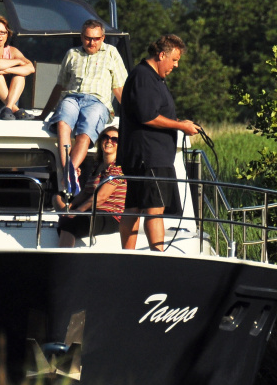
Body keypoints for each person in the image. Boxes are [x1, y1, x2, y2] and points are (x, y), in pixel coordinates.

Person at [117, 34, 199, 252]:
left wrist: (179, 123)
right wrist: (181, 126)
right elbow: (148, 116)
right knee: (154, 209)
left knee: (133, 207)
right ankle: (157, 256)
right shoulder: (144, 76)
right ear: (161, 54)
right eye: (174, 60)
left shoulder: (152, 78)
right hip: (150, 156)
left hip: (146, 155)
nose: (176, 65)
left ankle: (129, 255)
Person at [39, 19, 127, 194]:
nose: (91, 42)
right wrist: (43, 114)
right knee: (63, 123)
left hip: (98, 100)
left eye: (95, 38)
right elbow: (60, 86)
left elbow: (118, 87)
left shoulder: (111, 53)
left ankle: (68, 172)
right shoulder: (72, 53)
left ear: (103, 38)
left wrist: (133, 115)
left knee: (85, 132)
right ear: (81, 37)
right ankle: (69, 171)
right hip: (72, 97)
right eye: (87, 38)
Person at [56, 126, 125, 248]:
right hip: (93, 210)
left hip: (111, 215)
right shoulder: (97, 166)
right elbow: (85, 193)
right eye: (106, 137)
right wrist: (70, 207)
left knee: (69, 222)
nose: (109, 141)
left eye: (115, 139)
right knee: (56, 198)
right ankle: (66, 220)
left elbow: (101, 197)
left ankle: (64, 258)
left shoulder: (118, 168)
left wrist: (77, 212)